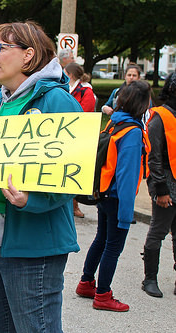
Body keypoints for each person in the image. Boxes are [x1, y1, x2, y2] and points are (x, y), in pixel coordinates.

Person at [0, 21, 82, 332]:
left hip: (30, 248)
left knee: (36, 328)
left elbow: (72, 173)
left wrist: (31, 199)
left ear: (28, 56)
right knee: (0, 327)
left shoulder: (56, 101)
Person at [75, 80, 151, 312]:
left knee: (101, 239)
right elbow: (127, 175)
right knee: (113, 247)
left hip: (104, 192)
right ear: (141, 104)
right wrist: (126, 214)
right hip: (118, 197)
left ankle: (87, 282)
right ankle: (103, 295)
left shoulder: (114, 124)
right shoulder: (133, 132)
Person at [141, 72, 176, 298]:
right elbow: (153, 156)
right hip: (166, 183)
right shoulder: (160, 116)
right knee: (159, 231)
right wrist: (160, 190)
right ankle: (150, 279)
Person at [64, 62, 97, 219]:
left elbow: (85, 113)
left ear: (70, 74)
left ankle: (74, 203)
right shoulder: (69, 89)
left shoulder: (85, 91)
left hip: (78, 134)